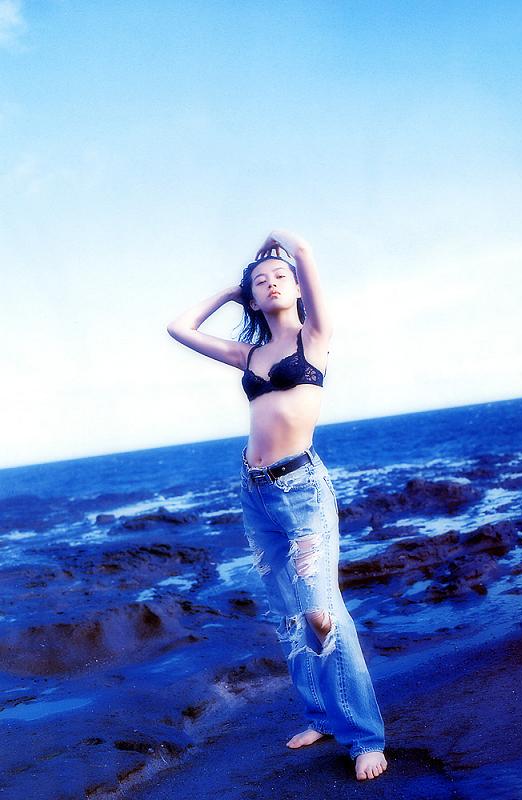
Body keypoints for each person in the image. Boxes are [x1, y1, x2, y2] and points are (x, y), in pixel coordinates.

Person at [166, 229, 388, 781]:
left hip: (302, 491)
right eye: (260, 281)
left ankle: (365, 738)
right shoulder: (249, 353)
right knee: (290, 617)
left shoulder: (314, 336)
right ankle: (319, 716)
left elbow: (304, 251)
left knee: (322, 614)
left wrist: (276, 242)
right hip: (255, 491)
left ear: (296, 288)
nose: (270, 283)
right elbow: (178, 328)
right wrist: (231, 290)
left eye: (279, 277)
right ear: (253, 297)